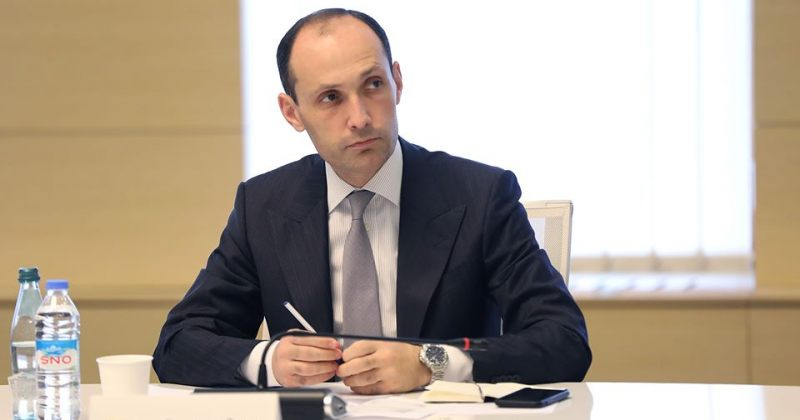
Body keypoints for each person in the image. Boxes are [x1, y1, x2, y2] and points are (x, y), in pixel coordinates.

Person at [152, 8, 591, 395]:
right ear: (292, 112)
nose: (360, 118)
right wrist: (270, 362)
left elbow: (563, 340)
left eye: (373, 84)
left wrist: (430, 363)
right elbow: (178, 344)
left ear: (397, 82)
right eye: (331, 98)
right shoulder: (264, 206)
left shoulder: (481, 195)